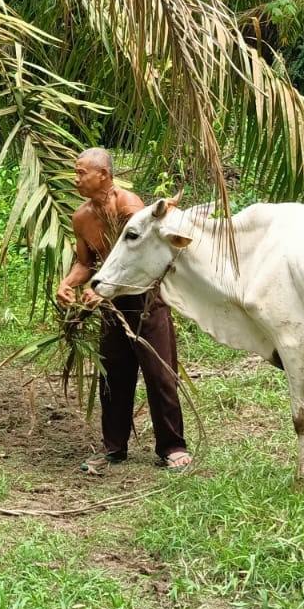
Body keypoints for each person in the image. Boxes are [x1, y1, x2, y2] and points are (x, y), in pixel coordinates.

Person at [56, 148, 192, 475]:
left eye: (81, 173)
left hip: (145, 299)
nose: (76, 180)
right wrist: (69, 283)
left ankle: (172, 447)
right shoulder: (82, 217)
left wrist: (98, 288)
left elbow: (137, 258)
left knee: (160, 373)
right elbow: (86, 262)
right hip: (111, 304)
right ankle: (113, 447)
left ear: (103, 175)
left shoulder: (128, 206)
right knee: (113, 377)